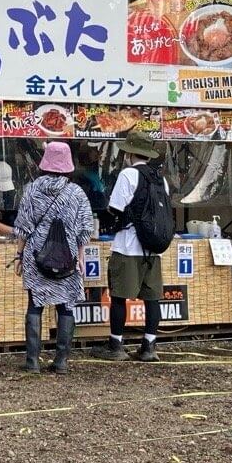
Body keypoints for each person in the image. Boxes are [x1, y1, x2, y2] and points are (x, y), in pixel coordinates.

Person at [11, 142, 91, 375]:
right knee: (66, 306)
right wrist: (81, 257)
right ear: (67, 166)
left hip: (37, 257)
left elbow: (23, 227)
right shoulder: (76, 193)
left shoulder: (32, 189)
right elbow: (85, 229)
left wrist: (18, 255)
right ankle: (62, 361)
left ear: (45, 163)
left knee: (35, 305)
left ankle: (32, 361)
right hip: (67, 258)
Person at [96, 130, 174, 363]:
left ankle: (116, 345)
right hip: (153, 248)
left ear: (130, 153)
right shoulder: (161, 179)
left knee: (119, 296)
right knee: (152, 299)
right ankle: (149, 346)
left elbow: (116, 208)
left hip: (128, 246)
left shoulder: (128, 174)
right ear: (148, 155)